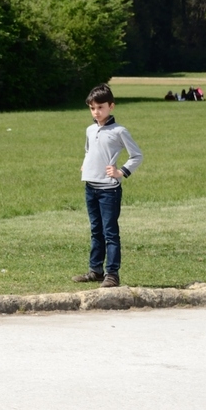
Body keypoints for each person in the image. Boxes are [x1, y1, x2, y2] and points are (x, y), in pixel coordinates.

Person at [73, 83, 143, 288]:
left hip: (109, 190)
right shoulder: (90, 129)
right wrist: (85, 165)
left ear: (111, 106)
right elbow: (88, 151)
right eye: (92, 108)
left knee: (110, 231)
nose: (96, 112)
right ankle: (95, 270)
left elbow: (137, 155)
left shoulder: (119, 131)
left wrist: (121, 171)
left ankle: (112, 274)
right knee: (96, 230)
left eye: (100, 107)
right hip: (90, 187)